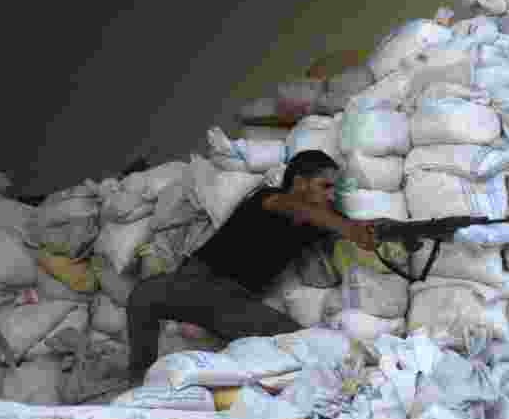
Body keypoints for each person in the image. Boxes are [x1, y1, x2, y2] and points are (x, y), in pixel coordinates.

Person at [125, 150, 378, 386]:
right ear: (300, 183)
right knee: (144, 296)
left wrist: (392, 231)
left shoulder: (322, 220)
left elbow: (365, 226)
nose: (331, 195)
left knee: (302, 343)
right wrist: (346, 228)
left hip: (234, 305)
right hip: (197, 284)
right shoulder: (269, 198)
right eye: (325, 186)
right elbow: (298, 209)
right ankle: (139, 385)